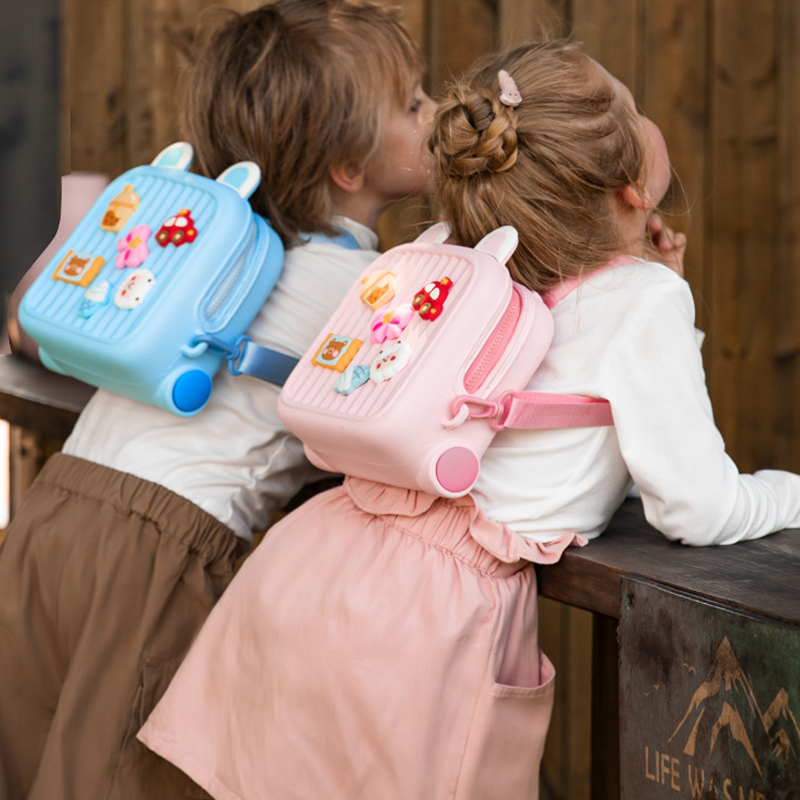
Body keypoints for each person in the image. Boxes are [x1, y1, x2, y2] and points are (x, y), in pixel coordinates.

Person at [137, 39, 800, 800]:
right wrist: (788, 495)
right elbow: (696, 505)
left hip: (317, 564)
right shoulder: (644, 300)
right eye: (635, 107)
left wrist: (664, 302)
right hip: (424, 623)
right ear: (634, 187)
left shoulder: (454, 258)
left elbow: (604, 428)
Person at [0, 3, 434, 799]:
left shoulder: (216, 245)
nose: (436, 113)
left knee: (31, 763)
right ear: (348, 166)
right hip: (155, 552)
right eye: (413, 104)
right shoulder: (360, 289)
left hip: (52, 514)